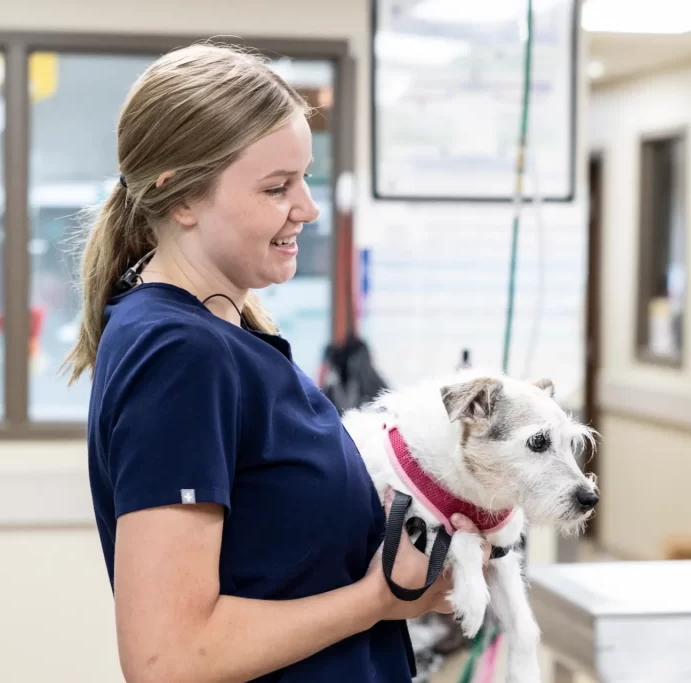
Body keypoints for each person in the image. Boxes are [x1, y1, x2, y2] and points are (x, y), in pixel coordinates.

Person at [65, 43, 490, 683]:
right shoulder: (180, 353)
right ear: (180, 199)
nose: (308, 209)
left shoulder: (224, 333)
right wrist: (377, 599)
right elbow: (167, 659)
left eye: (305, 179)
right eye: (275, 188)